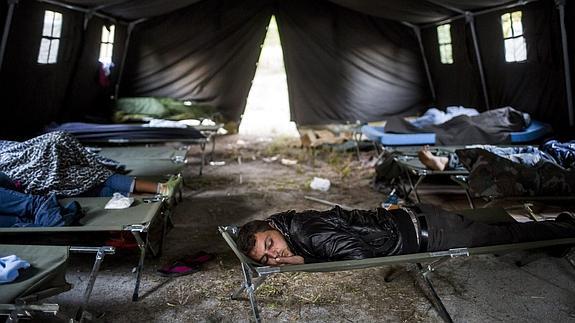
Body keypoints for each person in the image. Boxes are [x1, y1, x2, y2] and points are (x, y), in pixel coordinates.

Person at [237, 205, 575, 266]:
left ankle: (565, 230)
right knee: (500, 232)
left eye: (270, 244)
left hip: (431, 231)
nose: (274, 255)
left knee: (507, 237)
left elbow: (360, 257)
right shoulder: (295, 227)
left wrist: (304, 259)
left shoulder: (305, 233)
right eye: (266, 257)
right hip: (416, 222)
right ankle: (559, 229)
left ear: (275, 228)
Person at [0, 131, 181, 197]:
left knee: (91, 179)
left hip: (37, 176)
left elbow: (16, 148)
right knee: (96, 174)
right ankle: (160, 189)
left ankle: (151, 192)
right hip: (32, 175)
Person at [417, 140, 575, 171]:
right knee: (483, 148)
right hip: (543, 149)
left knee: (503, 160)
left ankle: (445, 162)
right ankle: (446, 159)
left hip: (551, 162)